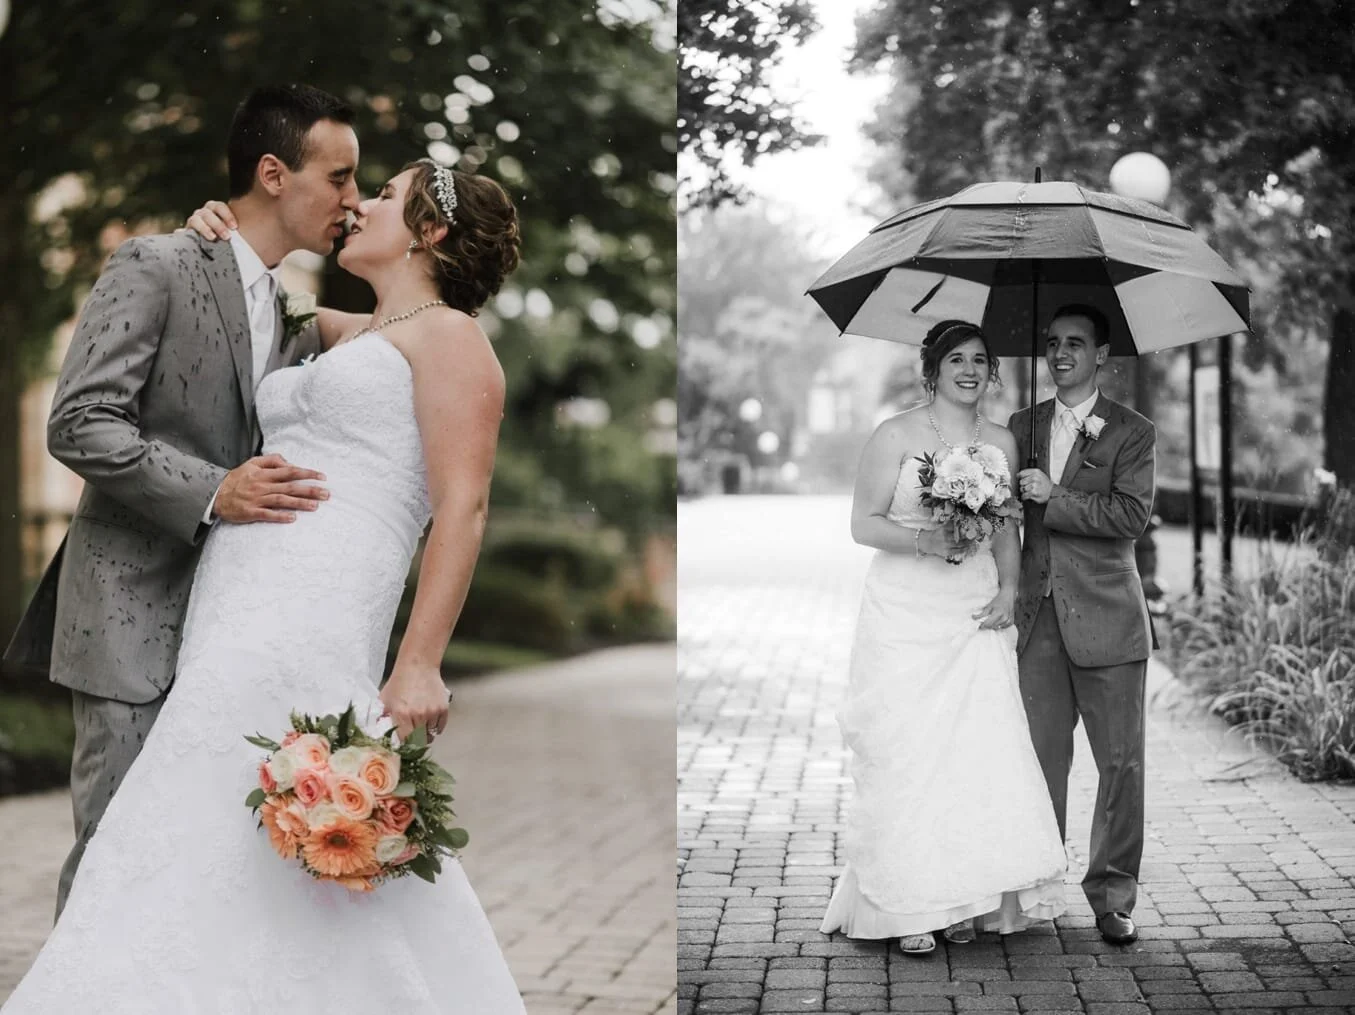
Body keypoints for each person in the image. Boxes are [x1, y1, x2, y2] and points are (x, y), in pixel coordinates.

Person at [1, 103, 527, 1011]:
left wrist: (419, 661)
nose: (359, 204)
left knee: (283, 829)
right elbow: (243, 308)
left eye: (383, 193)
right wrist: (212, 232)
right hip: (229, 608)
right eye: (349, 182)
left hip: (315, 614)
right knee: (186, 832)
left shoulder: (450, 337)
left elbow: (465, 505)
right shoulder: (340, 331)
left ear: (430, 231)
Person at [3, 83, 354, 919]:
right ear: (273, 172)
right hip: (127, 616)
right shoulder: (155, 263)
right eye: (338, 177)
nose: (349, 198)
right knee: (117, 854)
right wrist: (214, 489)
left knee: (197, 872)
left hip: (228, 633)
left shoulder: (289, 309)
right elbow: (80, 421)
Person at [820, 320, 1066, 956]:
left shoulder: (1004, 441)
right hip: (905, 609)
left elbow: (1008, 525)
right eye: (956, 358)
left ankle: (965, 899)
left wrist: (1009, 590)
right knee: (910, 748)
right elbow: (862, 524)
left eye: (980, 360)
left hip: (974, 605)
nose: (969, 369)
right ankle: (908, 907)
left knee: (972, 749)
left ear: (992, 372)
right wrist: (926, 537)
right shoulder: (895, 434)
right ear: (931, 369)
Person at [1009, 304, 1157, 947]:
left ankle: (1113, 895)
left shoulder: (1132, 431)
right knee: (1039, 762)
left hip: (1110, 622)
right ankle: (1039, 886)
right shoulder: (1021, 425)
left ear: (1103, 356)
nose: (1060, 353)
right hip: (1037, 620)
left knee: (1119, 764)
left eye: (1075, 343)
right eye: (1052, 343)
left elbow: (1130, 516)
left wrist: (1053, 496)